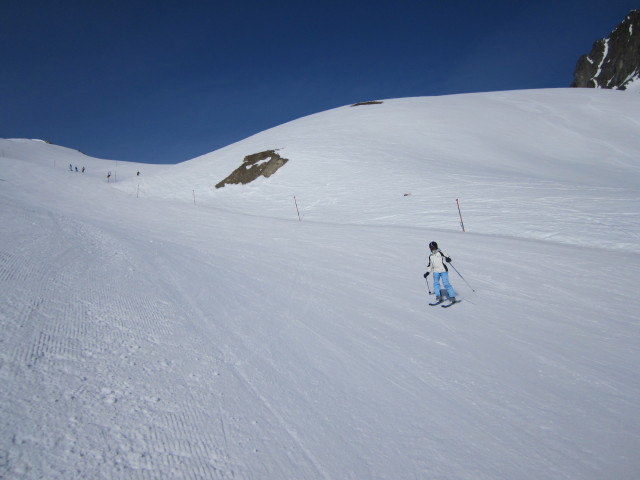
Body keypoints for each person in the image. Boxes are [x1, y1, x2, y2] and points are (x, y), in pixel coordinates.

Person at [423, 241, 457, 305]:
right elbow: (430, 265)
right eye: (431, 248)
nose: (432, 249)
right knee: (436, 284)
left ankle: (452, 297)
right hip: (435, 271)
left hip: (443, 270)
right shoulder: (430, 256)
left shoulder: (440, 253)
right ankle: (438, 297)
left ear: (436, 247)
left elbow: (448, 257)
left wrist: (448, 259)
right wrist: (428, 272)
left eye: (433, 248)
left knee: (446, 283)